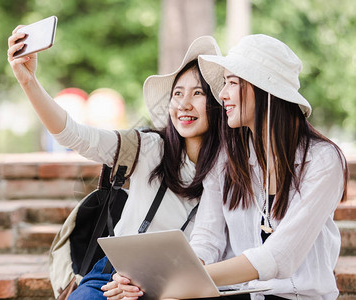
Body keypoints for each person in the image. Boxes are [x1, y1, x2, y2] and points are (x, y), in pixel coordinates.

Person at [112, 34, 349, 300]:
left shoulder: (322, 160)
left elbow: (281, 256)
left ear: (264, 89)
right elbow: (207, 239)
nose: (222, 95)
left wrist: (175, 278)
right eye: (224, 83)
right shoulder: (228, 157)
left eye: (232, 83)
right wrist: (150, 279)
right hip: (243, 294)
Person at [7, 31, 223, 299]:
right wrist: (29, 82)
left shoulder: (233, 170)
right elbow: (73, 134)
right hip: (115, 274)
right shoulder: (148, 147)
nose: (184, 104)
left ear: (218, 103)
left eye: (198, 92)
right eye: (178, 93)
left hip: (181, 284)